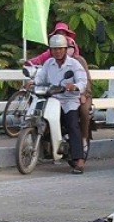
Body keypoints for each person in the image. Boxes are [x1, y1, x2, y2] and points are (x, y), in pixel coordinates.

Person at [29, 34, 88, 174]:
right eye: (54, 49)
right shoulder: (49, 63)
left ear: (65, 49)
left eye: (60, 49)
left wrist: (74, 86)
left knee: (72, 124)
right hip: (52, 99)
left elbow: (82, 80)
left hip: (69, 100)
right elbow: (41, 77)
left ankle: (79, 159)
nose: (57, 52)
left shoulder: (74, 64)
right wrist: (33, 82)